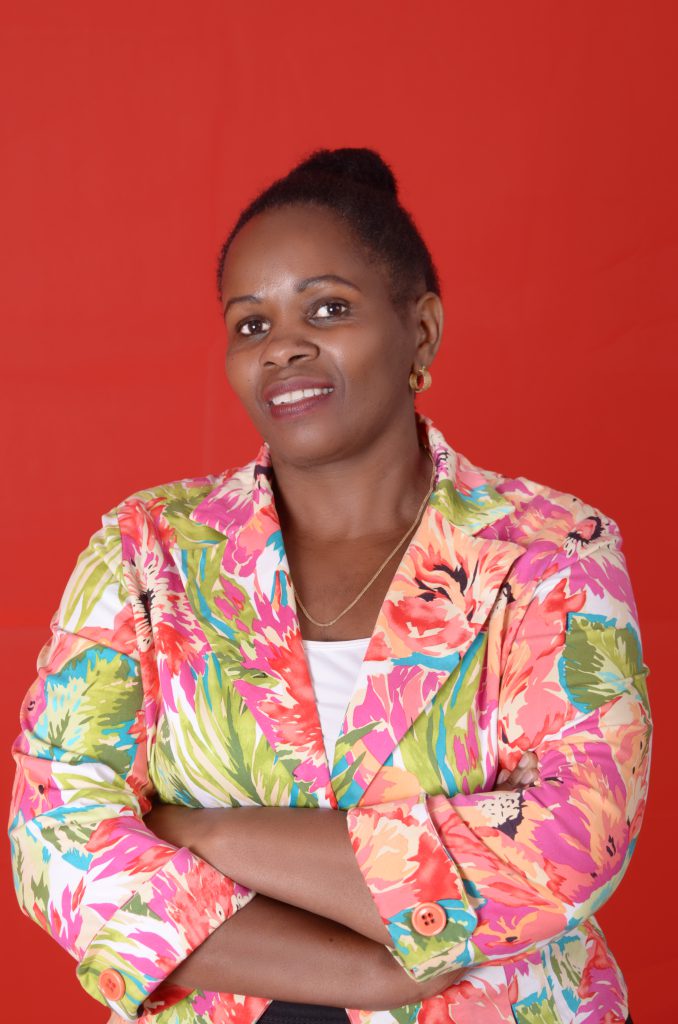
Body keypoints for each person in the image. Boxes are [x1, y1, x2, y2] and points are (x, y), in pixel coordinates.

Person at [8, 147, 650, 1024]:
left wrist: (206, 832)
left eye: (328, 308)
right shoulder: (147, 550)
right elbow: (52, 839)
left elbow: (573, 840)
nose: (283, 346)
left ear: (421, 331)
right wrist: (368, 976)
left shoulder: (553, 550)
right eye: (250, 324)